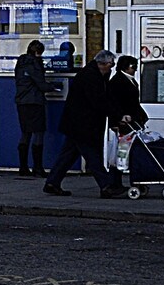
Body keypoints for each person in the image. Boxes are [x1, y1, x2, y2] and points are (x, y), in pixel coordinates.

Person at [43, 50, 121, 197]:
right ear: (103, 64)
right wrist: (116, 115)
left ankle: (52, 183)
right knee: (92, 155)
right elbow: (98, 101)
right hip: (82, 124)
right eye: (110, 66)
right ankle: (106, 185)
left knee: (68, 155)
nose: (111, 69)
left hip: (78, 123)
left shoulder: (97, 75)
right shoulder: (90, 77)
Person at [108, 54, 149, 185]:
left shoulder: (129, 80)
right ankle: (115, 182)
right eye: (133, 66)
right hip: (124, 123)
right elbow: (114, 104)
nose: (135, 69)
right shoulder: (118, 82)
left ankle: (132, 180)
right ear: (125, 67)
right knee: (122, 152)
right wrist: (116, 120)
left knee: (128, 151)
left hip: (132, 121)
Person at [13, 40, 49, 176]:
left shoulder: (20, 63)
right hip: (34, 101)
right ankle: (38, 168)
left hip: (21, 102)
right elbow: (41, 83)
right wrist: (53, 87)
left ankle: (23, 167)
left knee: (25, 133)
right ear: (37, 52)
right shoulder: (34, 63)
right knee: (39, 133)